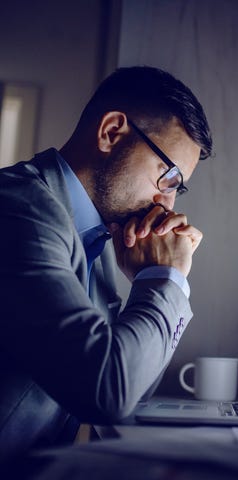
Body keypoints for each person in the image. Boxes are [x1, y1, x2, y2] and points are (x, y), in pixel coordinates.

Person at [0, 66, 212, 458]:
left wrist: (152, 281)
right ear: (112, 131)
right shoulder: (19, 210)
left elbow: (133, 394)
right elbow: (107, 394)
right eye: (168, 177)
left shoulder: (96, 237)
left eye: (178, 188)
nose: (167, 205)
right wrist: (166, 281)